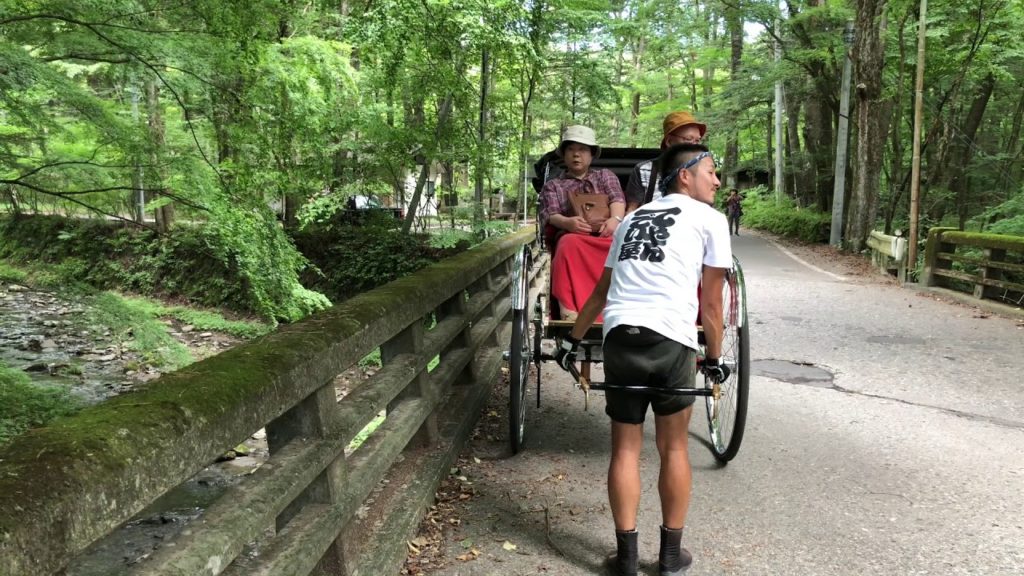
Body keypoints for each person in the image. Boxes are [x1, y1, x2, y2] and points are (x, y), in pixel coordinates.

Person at [555, 143, 732, 576]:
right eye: (711, 171)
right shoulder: (710, 219)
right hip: (669, 338)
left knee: (625, 450)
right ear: (685, 175)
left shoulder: (633, 218)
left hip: (620, 336)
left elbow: (601, 292)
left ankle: (627, 559)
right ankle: (670, 559)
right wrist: (713, 359)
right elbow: (711, 306)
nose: (717, 180)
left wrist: (573, 343)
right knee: (672, 447)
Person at [539, 125, 626, 320]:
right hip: (574, 236)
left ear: (591, 154)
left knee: (624, 246)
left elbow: (617, 200)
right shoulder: (554, 185)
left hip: (607, 233)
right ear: (564, 154)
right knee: (567, 244)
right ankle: (568, 308)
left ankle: (620, 304)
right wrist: (568, 223)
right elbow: (551, 214)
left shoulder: (605, 176)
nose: (576, 155)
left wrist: (615, 220)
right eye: (571, 149)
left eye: (582, 150)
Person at [624, 111, 707, 214]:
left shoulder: (702, 172)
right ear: (669, 141)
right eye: (689, 139)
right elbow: (632, 210)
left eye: (697, 141)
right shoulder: (643, 170)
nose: (694, 146)